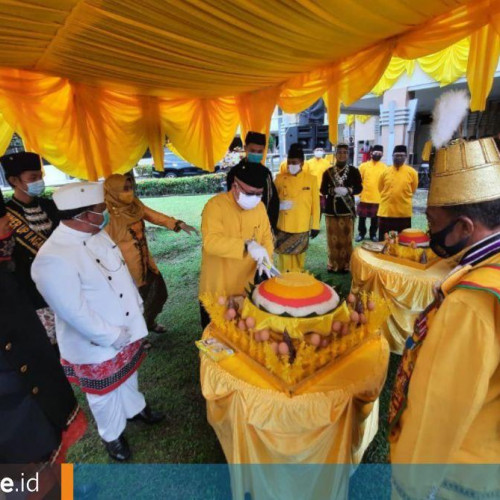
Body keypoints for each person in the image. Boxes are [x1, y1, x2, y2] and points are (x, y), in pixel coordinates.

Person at [388, 136, 500, 497]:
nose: (429, 230)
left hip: (458, 474)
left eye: (433, 221)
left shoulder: (469, 305)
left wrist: (409, 487)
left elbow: (436, 412)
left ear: (466, 228)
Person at [31, 182, 164, 462]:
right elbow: (73, 311)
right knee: (102, 393)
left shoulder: (96, 233)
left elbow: (120, 276)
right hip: (96, 340)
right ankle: (112, 435)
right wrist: (109, 335)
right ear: (85, 215)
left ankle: (135, 408)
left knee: (128, 375)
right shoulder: (52, 258)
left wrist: (136, 308)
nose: (105, 212)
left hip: (126, 326)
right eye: (100, 209)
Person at [0, 188, 86, 477]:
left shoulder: (4, 264)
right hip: (13, 402)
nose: (7, 224)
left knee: (53, 455)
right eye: (1, 220)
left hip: (35, 383)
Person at [104, 174, 197, 333]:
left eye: (130, 188)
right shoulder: (106, 216)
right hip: (126, 269)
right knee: (132, 304)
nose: (129, 192)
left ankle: (148, 323)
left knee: (160, 294)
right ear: (112, 191)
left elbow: (153, 215)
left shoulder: (135, 205)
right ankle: (137, 335)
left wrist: (177, 223)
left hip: (147, 263)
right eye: (124, 189)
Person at [200, 161, 274, 328]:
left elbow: (266, 238)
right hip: (218, 286)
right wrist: (246, 244)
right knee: (216, 340)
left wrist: (266, 260)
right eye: (250, 193)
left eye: (259, 194)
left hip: (245, 287)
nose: (255, 198)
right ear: (235, 186)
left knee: (243, 338)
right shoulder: (215, 206)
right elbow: (210, 242)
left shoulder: (260, 207)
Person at [1, 152, 59, 347]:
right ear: (14, 180)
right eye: (32, 178)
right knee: (48, 346)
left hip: (63, 282)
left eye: (40, 176)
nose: (39, 182)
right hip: (31, 290)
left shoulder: (50, 206)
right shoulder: (6, 216)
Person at [274, 143, 320, 272]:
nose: (291, 165)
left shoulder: (311, 179)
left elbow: (316, 204)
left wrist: (315, 225)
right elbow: (271, 202)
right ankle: (283, 280)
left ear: (302, 162)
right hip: (283, 224)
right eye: (289, 162)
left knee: (300, 258)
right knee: (284, 258)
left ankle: (298, 280)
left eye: (294, 162)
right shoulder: (279, 179)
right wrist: (279, 205)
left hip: (302, 225)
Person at [320, 143, 362, 273]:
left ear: (348, 155)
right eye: (339, 152)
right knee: (332, 240)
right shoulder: (328, 172)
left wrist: (348, 190)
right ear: (335, 154)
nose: (342, 155)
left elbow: (359, 187)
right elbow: (322, 189)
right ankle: (333, 264)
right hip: (331, 211)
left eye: (345, 152)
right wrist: (333, 190)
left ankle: (346, 265)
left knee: (346, 239)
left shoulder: (354, 171)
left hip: (347, 210)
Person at [226, 131, 280, 232]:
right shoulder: (235, 173)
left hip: (261, 226)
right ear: (245, 148)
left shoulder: (265, 173)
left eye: (260, 151)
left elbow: (271, 201)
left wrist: (270, 226)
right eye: (253, 150)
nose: (256, 154)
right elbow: (230, 202)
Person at [377, 145, 419, 241]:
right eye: (396, 155)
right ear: (392, 156)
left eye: (401, 155)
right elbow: (380, 188)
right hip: (386, 212)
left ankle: (399, 255)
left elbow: (413, 189)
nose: (398, 158)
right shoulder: (385, 172)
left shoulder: (412, 172)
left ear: (406, 157)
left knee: (402, 240)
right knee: (385, 240)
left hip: (403, 213)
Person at [356, 145, 387, 242]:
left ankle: (373, 234)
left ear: (382, 154)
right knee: (362, 218)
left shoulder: (385, 168)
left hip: (378, 197)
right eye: (375, 152)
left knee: (375, 219)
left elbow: (385, 183)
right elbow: (357, 182)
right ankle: (361, 233)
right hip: (364, 197)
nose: (377, 154)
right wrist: (357, 195)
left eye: (379, 153)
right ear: (371, 153)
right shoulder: (363, 166)